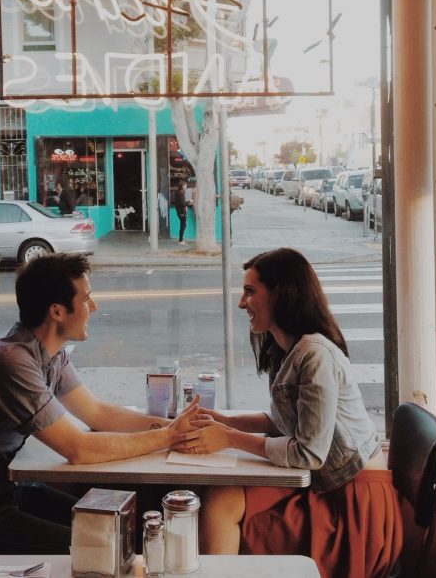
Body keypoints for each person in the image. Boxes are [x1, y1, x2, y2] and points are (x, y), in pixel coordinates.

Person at [0, 253, 200, 555]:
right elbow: (77, 449)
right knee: (101, 549)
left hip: (4, 493)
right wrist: (167, 438)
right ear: (57, 311)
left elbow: (98, 414)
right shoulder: (10, 361)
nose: (94, 307)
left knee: (118, 529)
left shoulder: (49, 353)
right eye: (86, 299)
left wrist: (176, 427)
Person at [172, 248, 402, 578]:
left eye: (250, 292)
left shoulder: (315, 354)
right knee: (222, 495)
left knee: (222, 503)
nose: (241, 303)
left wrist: (229, 439)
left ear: (282, 293)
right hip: (330, 487)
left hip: (352, 505)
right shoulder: (291, 348)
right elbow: (282, 423)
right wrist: (221, 420)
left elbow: (308, 452)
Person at [173, 180, 189, 245]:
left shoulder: (178, 192)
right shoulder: (181, 193)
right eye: (185, 185)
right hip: (181, 211)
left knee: (183, 225)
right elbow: (182, 204)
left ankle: (181, 240)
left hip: (179, 211)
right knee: (183, 225)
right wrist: (189, 202)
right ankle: (181, 240)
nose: (186, 186)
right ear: (182, 186)